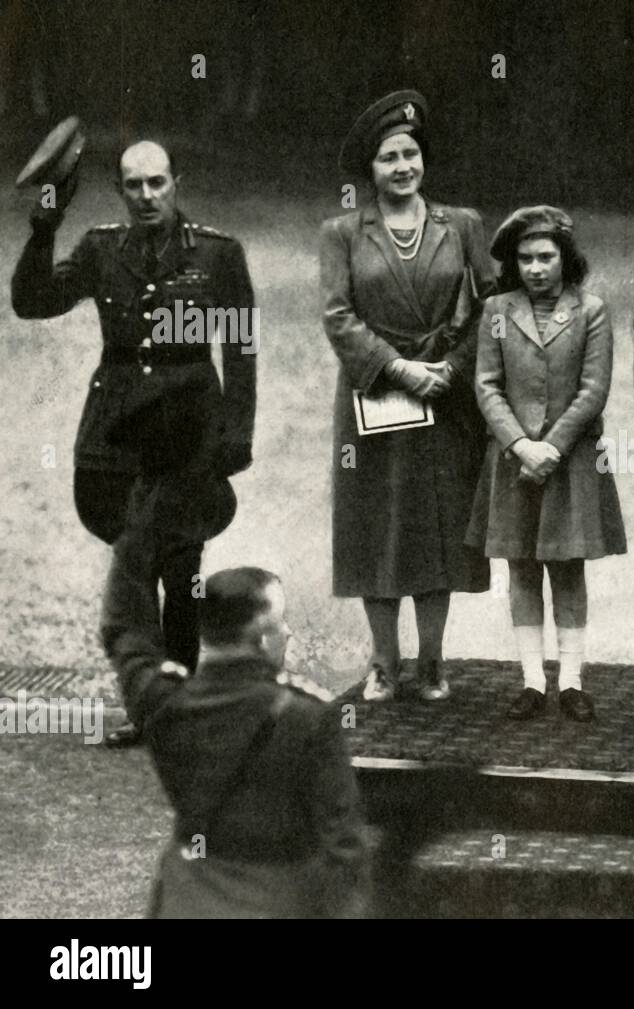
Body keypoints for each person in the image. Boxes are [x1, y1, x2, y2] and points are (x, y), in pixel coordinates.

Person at [11, 135, 257, 748]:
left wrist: (236, 433)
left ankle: (177, 708)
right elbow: (32, 302)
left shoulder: (219, 255)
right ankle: (150, 708)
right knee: (132, 565)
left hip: (187, 426)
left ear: (177, 183)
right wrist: (45, 226)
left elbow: (242, 351)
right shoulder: (100, 250)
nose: (146, 196)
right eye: (133, 185)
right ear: (120, 190)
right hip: (117, 429)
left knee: (183, 566)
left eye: (157, 183)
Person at [100, 465, 367, 918]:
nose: (287, 632)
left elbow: (125, 629)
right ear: (263, 639)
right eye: (282, 622)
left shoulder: (161, 699)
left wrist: (137, 532)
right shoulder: (309, 717)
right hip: (276, 900)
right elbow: (343, 846)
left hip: (187, 898)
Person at [321, 90, 493, 703]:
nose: (402, 167)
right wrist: (398, 369)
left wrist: (453, 367)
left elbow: (493, 307)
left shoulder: (464, 225)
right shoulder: (342, 232)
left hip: (445, 395)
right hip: (376, 394)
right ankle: (382, 663)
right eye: (388, 157)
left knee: (439, 526)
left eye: (410, 154)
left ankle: (433, 661)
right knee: (377, 524)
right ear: (369, 171)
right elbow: (338, 316)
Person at [467, 206, 626, 722]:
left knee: (567, 567)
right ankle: (533, 681)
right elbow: (487, 385)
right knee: (521, 567)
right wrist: (519, 445)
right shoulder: (496, 310)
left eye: (546, 257)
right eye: (525, 258)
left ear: (565, 259)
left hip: (570, 459)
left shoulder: (591, 310)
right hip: (513, 461)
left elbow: (593, 389)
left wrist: (551, 448)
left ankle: (573, 681)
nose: (536, 268)